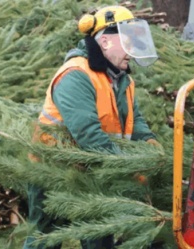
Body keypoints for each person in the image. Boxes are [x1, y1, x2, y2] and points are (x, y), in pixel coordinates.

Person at [23, 5, 160, 249]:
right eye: (127, 40)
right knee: (45, 239)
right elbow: (90, 137)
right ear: (105, 41)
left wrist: (150, 146)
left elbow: (134, 120)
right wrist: (132, 168)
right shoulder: (76, 75)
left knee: (99, 237)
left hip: (94, 171)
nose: (132, 49)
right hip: (53, 172)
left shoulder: (122, 79)